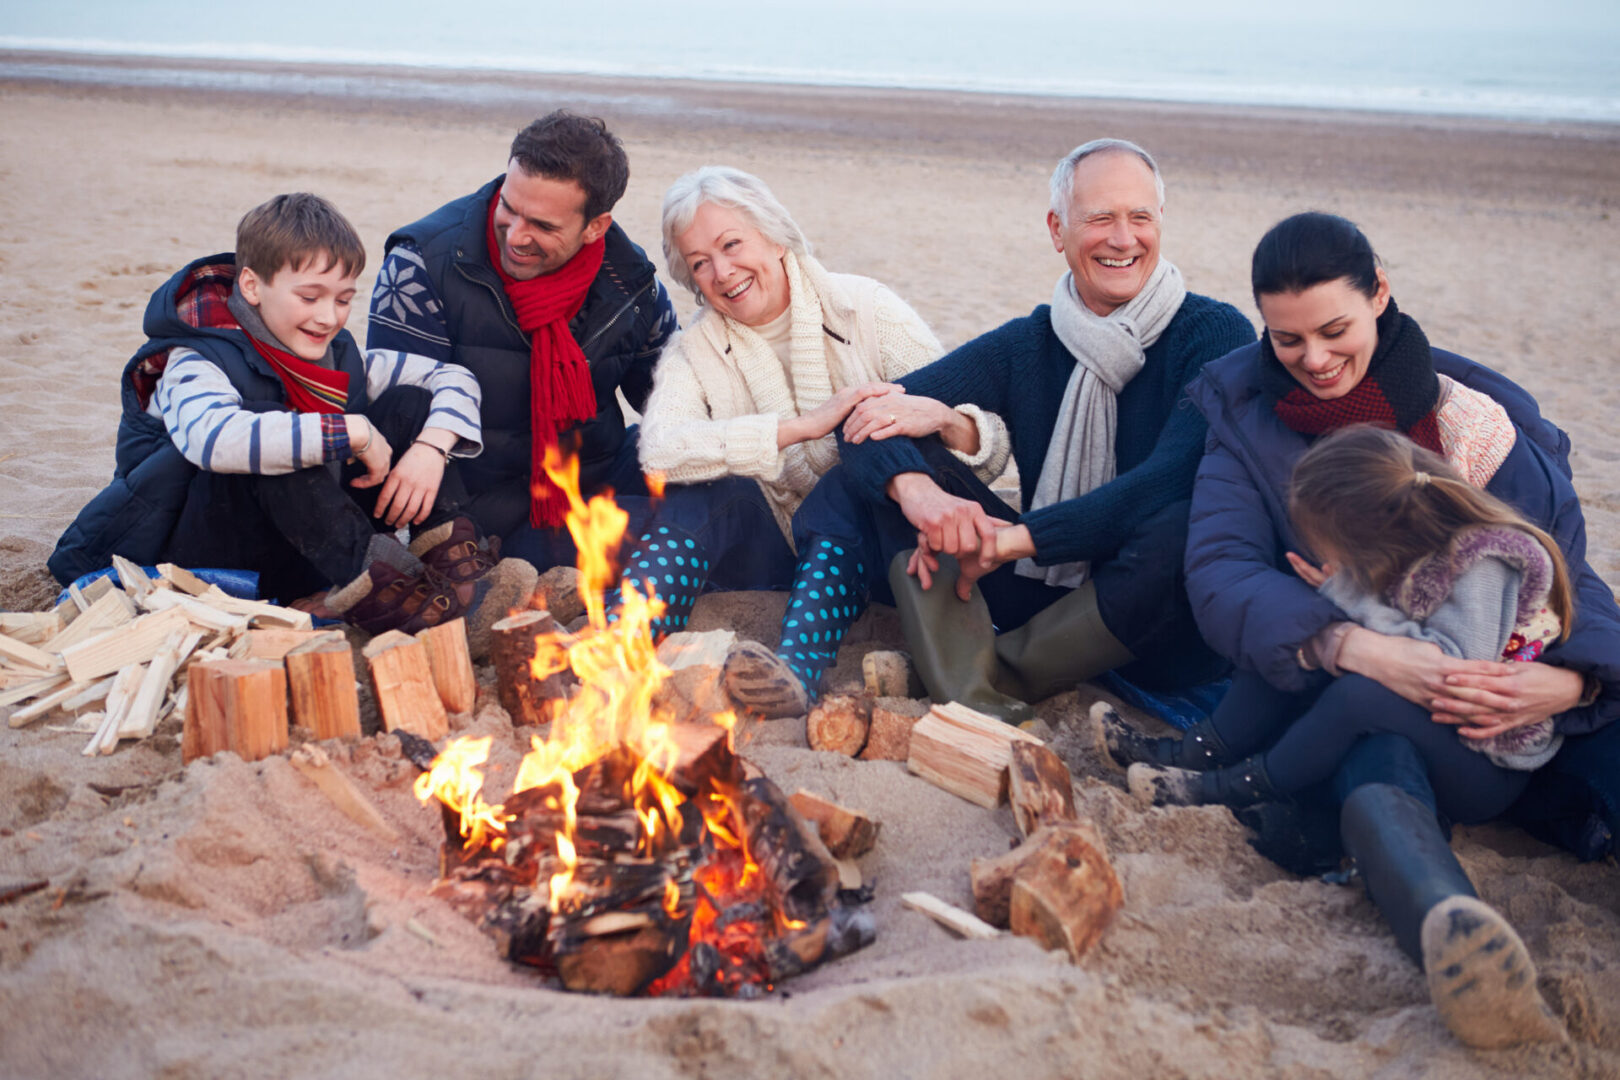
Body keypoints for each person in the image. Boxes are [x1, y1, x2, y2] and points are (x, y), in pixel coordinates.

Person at [1132, 210, 1620, 1048]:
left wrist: (1571, 678)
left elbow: (1567, 571)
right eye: (1287, 340)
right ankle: (1455, 932)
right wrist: (1347, 641)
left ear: (1380, 295)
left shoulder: (1478, 423)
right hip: (1358, 690)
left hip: (1512, 704)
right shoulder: (1246, 418)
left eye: (1333, 330)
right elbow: (1221, 574)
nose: (1314, 360)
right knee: (1372, 756)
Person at [827, 138, 1255, 722]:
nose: (1123, 238)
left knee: (1181, 521)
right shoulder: (1029, 343)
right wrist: (923, 495)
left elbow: (1168, 481)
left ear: (1161, 224)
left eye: (1140, 218)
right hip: (1043, 594)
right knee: (883, 467)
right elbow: (862, 418)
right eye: (1100, 218)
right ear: (1058, 230)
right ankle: (970, 676)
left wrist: (1009, 541)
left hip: (1162, 626)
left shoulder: (1215, 334)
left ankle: (984, 674)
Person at [50, 193, 535, 654]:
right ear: (252, 286)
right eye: (310, 297)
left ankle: (458, 578)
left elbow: (453, 378)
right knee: (278, 430)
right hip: (200, 554)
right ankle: (403, 601)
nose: (329, 317)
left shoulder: (339, 356)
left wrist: (431, 448)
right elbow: (214, 440)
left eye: (344, 299)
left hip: (304, 545)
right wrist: (354, 432)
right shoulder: (194, 359)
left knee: (409, 403)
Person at [620, 166, 1009, 716]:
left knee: (849, 475)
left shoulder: (865, 308)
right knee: (705, 492)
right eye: (700, 263)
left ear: (776, 236)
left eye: (732, 244)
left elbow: (987, 448)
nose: (722, 272)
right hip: (770, 551)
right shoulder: (696, 349)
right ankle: (619, 638)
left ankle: (795, 670)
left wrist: (945, 419)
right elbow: (659, 449)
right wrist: (800, 427)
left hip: (873, 551)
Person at [1120, 423, 1573, 809]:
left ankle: (1232, 788)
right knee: (1296, 634)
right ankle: (1195, 751)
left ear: (1375, 539)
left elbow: (1449, 669)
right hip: (1441, 718)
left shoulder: (1484, 564)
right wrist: (1334, 612)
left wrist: (1350, 594)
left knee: (1358, 695)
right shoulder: (1420, 547)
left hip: (1487, 760)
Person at [368, 110, 678, 557]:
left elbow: (674, 402)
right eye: (508, 208)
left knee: (718, 491)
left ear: (596, 227)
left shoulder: (629, 280)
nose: (515, 235)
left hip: (594, 490)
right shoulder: (420, 265)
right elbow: (399, 414)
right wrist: (458, 541)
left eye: (543, 226)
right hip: (474, 519)